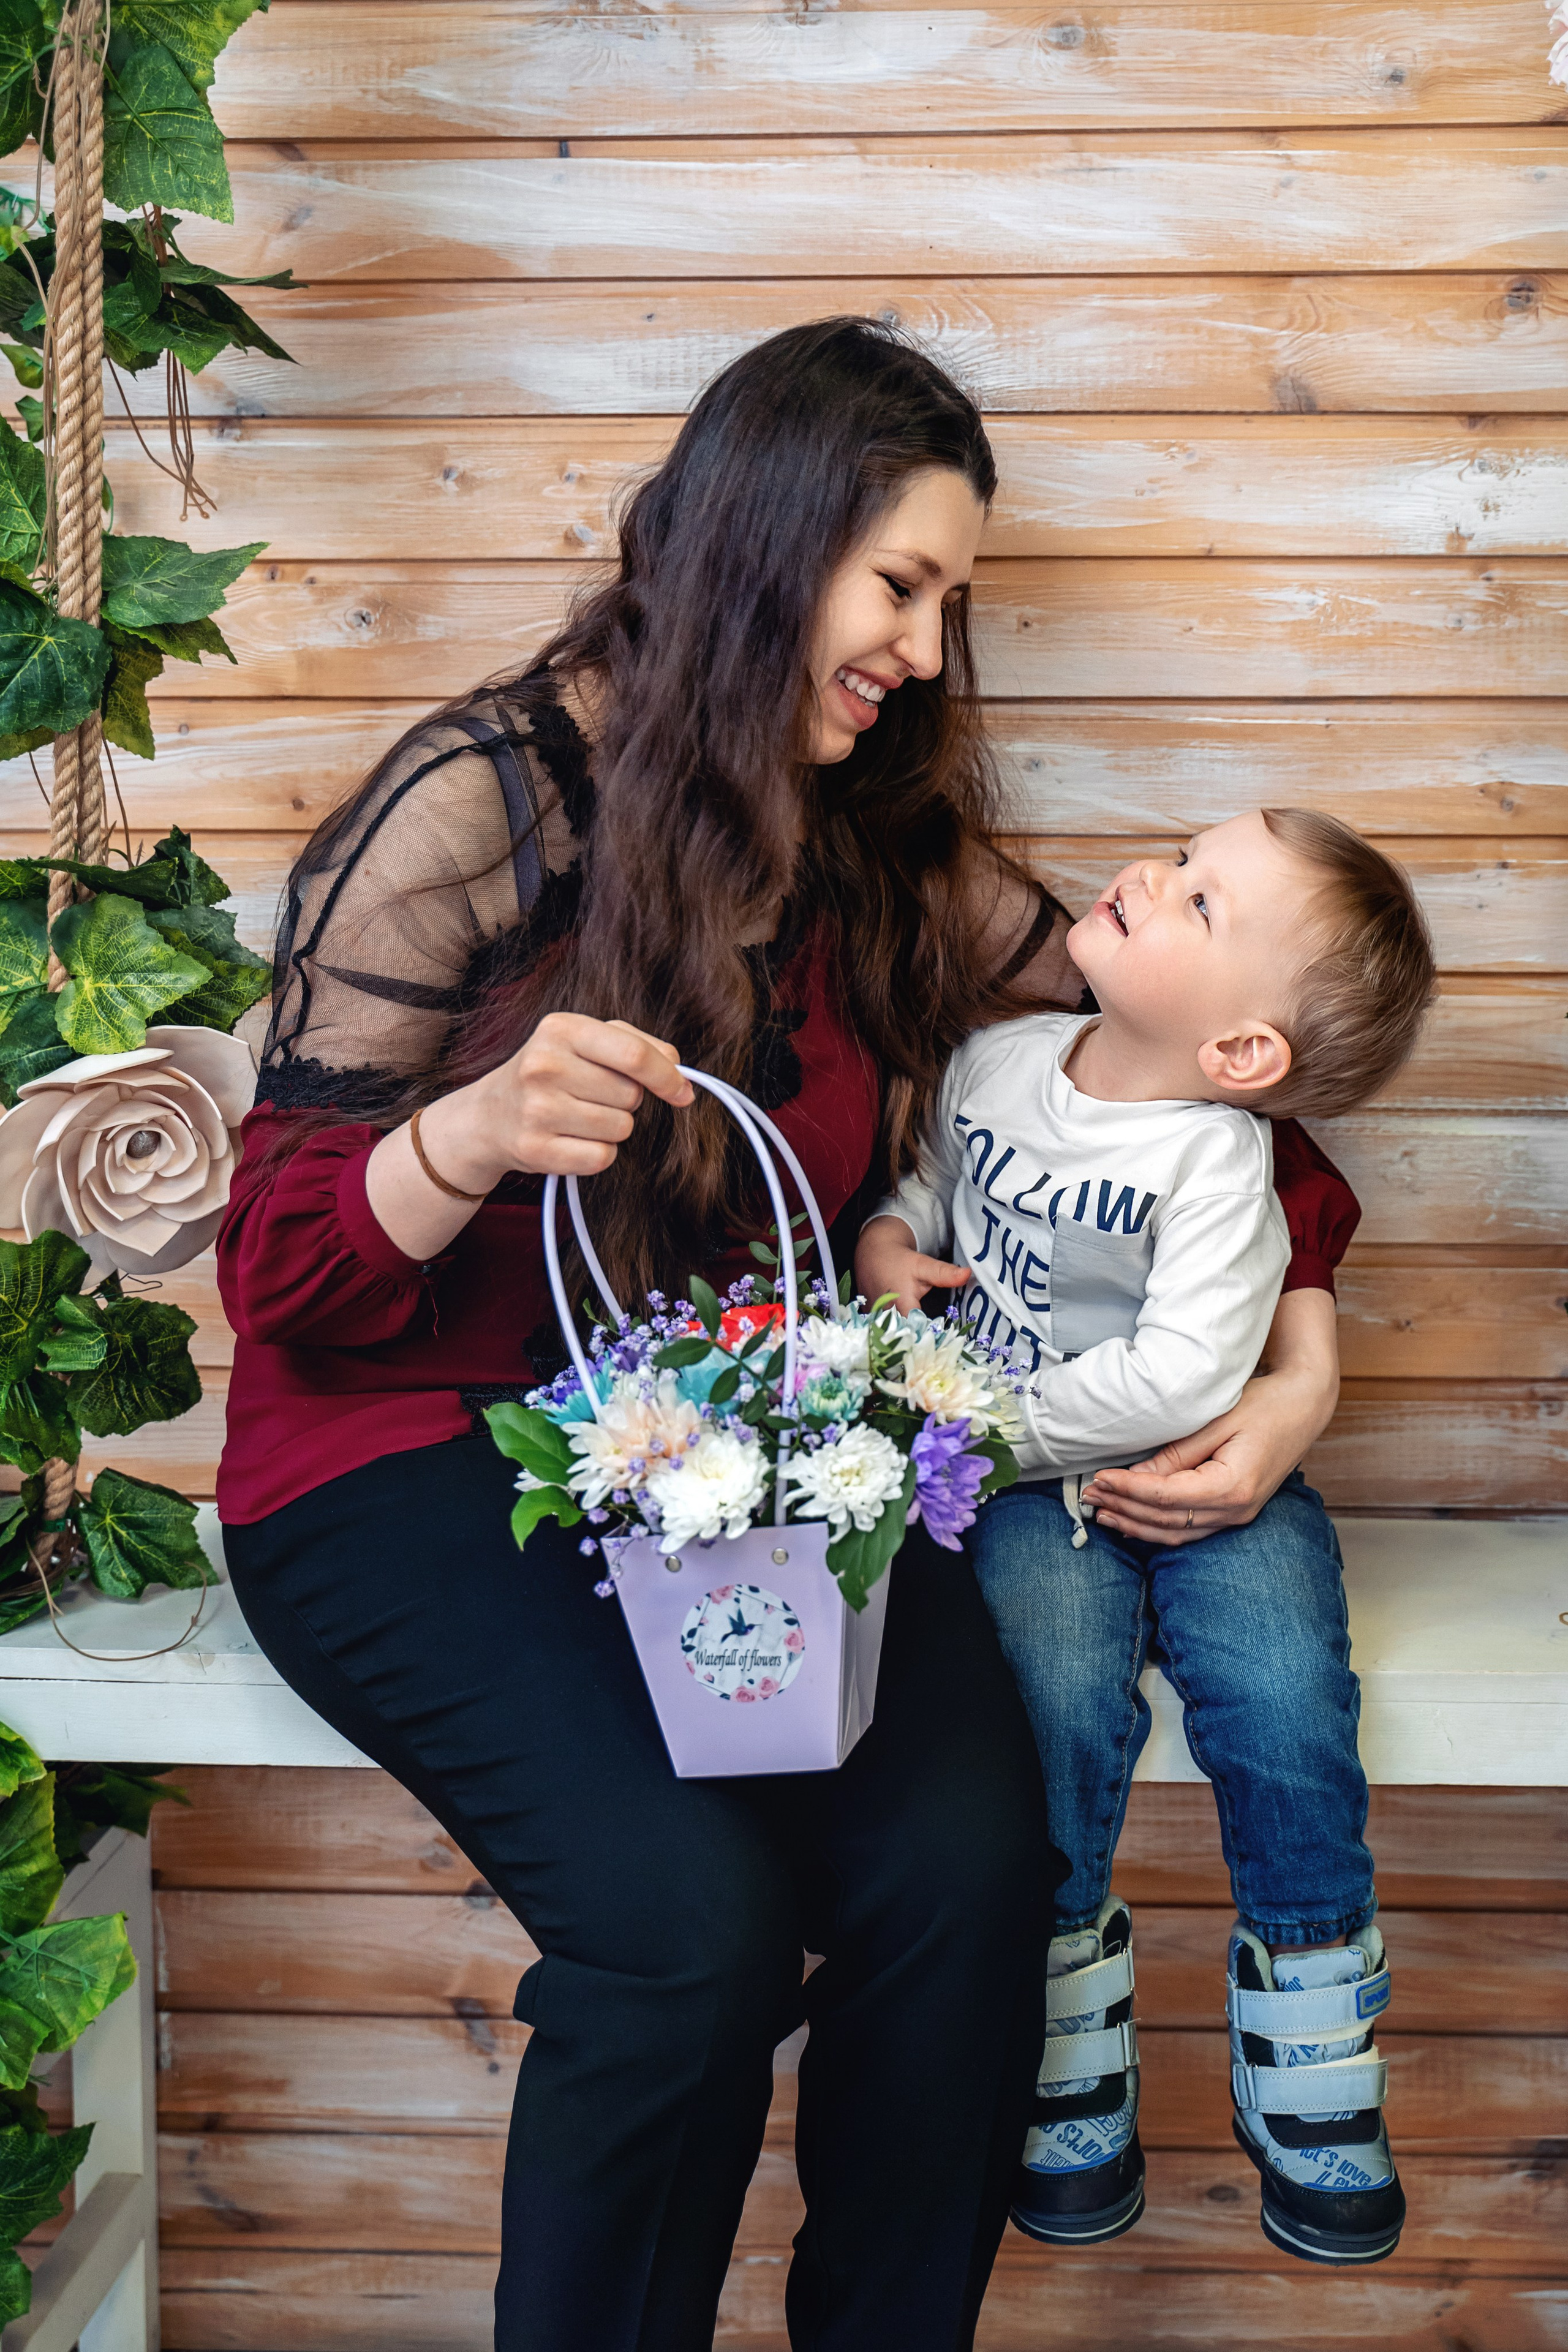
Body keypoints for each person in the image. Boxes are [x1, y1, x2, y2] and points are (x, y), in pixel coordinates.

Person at [215, 317, 1358, 2352]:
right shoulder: (480, 803)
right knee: (687, 1935)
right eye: (901, 584)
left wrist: (1300, 1366)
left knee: (961, 1883)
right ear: (770, 534)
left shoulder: (874, 836)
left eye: (950, 604)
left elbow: (1198, 1080)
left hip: (740, 1464)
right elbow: (286, 1276)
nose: (925, 649)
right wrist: (467, 1135)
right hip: (407, 1469)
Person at [856, 807, 1434, 2272]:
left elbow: (1183, 1380)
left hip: (1196, 1479)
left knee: (1285, 1696)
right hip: (1020, 1491)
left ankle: (1307, 2025)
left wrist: (978, 1440)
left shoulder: (1217, 1161)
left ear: (1241, 1054)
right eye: (1177, 858)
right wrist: (886, 1236)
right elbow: (935, 1173)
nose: (1145, 877)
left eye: (1196, 899)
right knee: (1047, 1699)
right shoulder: (996, 1063)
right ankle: (1065, 2036)